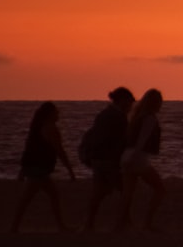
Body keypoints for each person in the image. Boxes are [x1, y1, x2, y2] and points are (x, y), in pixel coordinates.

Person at [11, 102, 76, 233]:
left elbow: (29, 150)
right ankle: (60, 227)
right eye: (56, 112)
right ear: (50, 114)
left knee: (46, 196)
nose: (58, 114)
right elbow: (60, 151)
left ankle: (15, 227)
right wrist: (70, 170)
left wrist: (22, 170)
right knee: (32, 198)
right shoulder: (50, 128)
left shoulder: (37, 127)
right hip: (39, 169)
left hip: (37, 168)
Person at [83, 87, 135, 231]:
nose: (131, 106)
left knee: (99, 193)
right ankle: (123, 222)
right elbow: (121, 140)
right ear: (123, 101)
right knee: (125, 190)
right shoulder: (117, 117)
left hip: (98, 158)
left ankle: (89, 224)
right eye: (130, 103)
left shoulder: (104, 114)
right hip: (109, 160)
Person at [116, 88, 165, 232]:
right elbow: (142, 141)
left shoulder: (137, 116)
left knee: (128, 193)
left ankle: (121, 223)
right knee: (160, 189)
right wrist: (134, 157)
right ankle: (147, 223)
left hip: (127, 155)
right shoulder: (149, 118)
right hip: (138, 158)